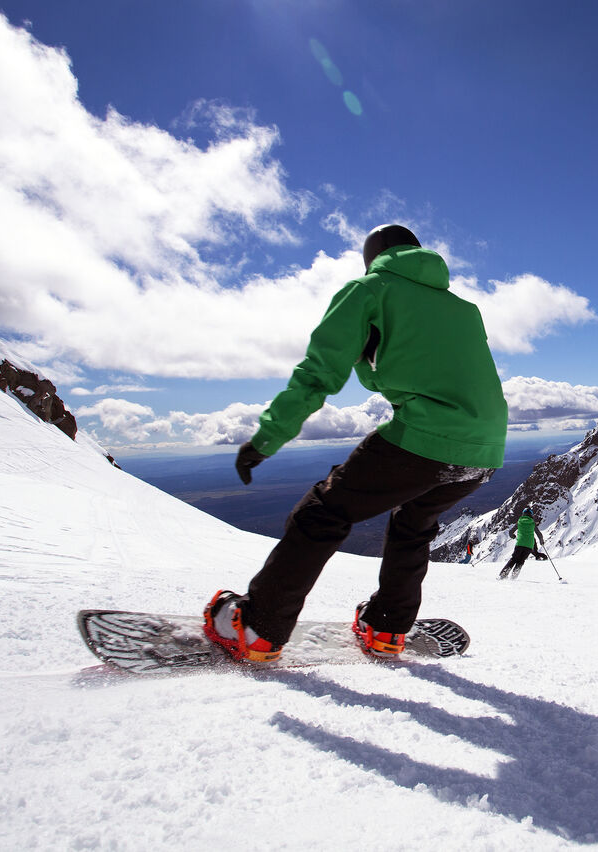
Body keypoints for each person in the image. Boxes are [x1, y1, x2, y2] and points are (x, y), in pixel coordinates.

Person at [203, 224, 508, 661]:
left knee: (323, 512)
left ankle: (257, 627)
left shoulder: (369, 290)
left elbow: (319, 372)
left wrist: (269, 436)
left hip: (425, 435)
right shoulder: (465, 309)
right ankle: (385, 628)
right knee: (412, 525)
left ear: (373, 257)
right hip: (487, 446)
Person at [498, 506, 548, 580]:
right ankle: (514, 577)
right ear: (531, 515)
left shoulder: (519, 522)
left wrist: (513, 536)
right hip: (529, 546)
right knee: (521, 561)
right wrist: (541, 542)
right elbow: (539, 534)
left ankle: (503, 575)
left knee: (514, 559)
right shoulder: (532, 523)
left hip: (520, 543)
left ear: (523, 514)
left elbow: (511, 532)